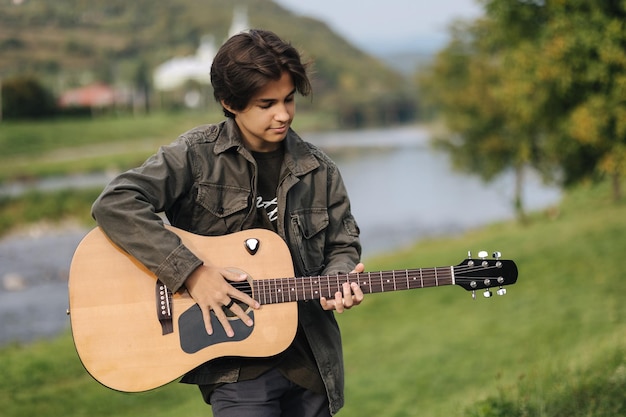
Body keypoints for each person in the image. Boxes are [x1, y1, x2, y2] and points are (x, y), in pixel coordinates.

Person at [91, 29, 364, 417]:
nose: (283, 113)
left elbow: (343, 246)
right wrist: (192, 272)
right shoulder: (195, 155)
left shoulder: (320, 170)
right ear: (229, 102)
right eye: (266, 103)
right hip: (236, 366)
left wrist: (340, 278)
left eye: (289, 99)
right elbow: (115, 202)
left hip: (310, 361)